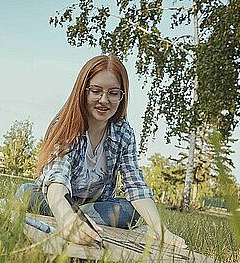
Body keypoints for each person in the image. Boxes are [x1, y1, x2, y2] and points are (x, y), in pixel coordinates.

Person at [15, 55, 186, 248]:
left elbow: (136, 186)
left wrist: (161, 231)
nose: (104, 100)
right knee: (26, 194)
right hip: (59, 200)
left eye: (113, 93)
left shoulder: (123, 133)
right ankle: (83, 221)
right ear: (83, 91)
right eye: (96, 91)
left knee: (128, 210)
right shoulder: (65, 126)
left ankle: (85, 221)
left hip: (96, 204)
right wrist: (67, 219)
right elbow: (57, 180)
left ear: (122, 96)